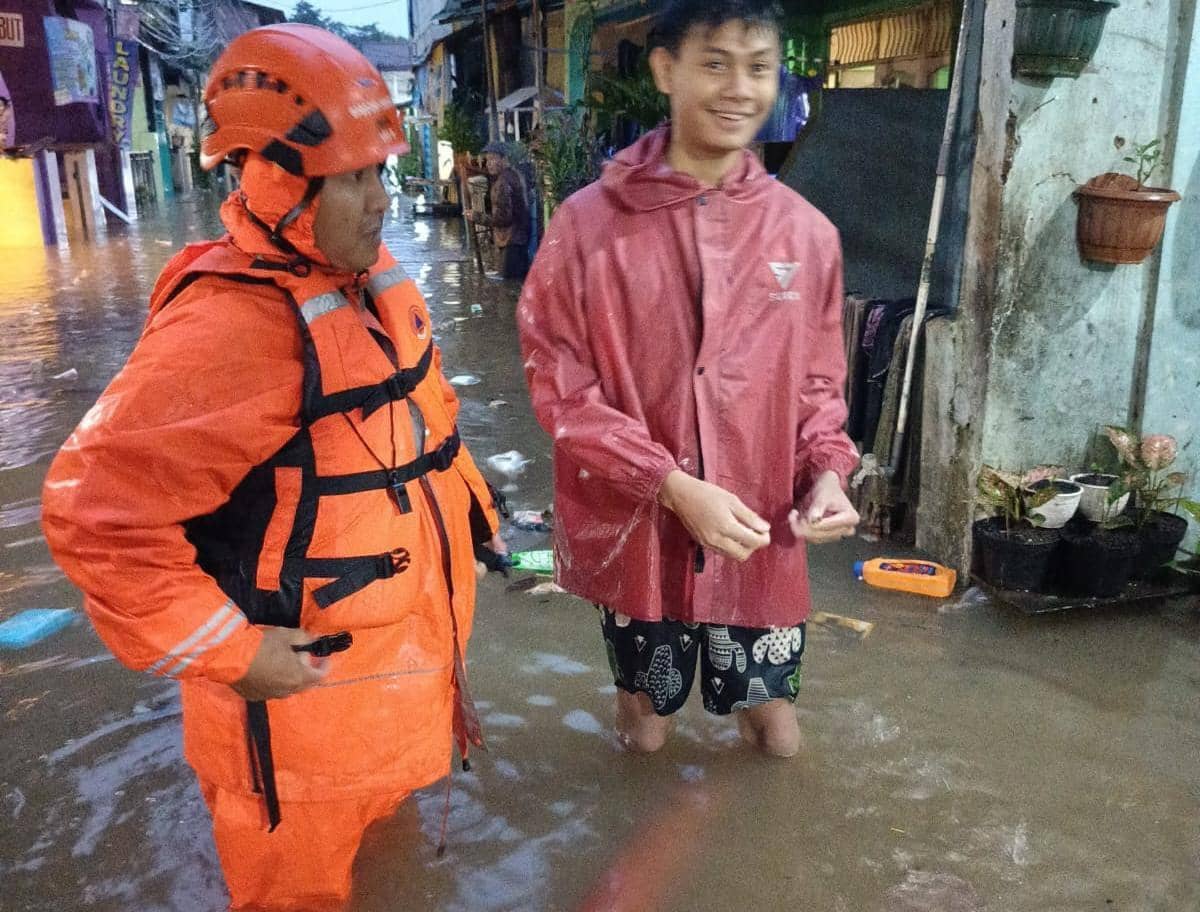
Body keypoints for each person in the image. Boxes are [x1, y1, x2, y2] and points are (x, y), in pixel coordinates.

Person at [42, 25, 506, 911]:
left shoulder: (371, 283)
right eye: (354, 179)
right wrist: (233, 650)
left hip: (397, 694)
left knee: (391, 877)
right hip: (298, 750)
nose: (381, 199)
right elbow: (88, 514)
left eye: (380, 172)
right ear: (280, 184)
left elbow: (428, 434)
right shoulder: (230, 331)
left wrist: (478, 535)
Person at [517, 0, 860, 759]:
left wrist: (827, 475)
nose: (739, 88)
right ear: (666, 69)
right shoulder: (587, 227)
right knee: (644, 729)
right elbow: (560, 389)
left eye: (759, 67)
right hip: (642, 530)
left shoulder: (806, 234)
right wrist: (670, 484)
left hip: (758, 528)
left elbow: (817, 389)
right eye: (715, 63)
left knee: (776, 733)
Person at [465, 141, 530, 280]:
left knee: (509, 288)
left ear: (504, 160)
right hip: (520, 239)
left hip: (511, 241)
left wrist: (477, 216)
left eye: (493, 159)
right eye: (487, 160)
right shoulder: (515, 175)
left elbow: (503, 219)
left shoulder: (503, 183)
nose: (488, 163)